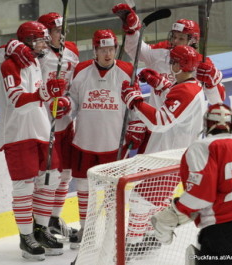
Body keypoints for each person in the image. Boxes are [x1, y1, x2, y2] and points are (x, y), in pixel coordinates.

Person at [151, 103, 232, 265]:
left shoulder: (202, 147)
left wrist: (174, 211)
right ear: (231, 125)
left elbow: (201, 196)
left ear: (207, 124)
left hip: (223, 232)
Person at [52, 29, 138, 249]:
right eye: (103, 49)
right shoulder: (81, 71)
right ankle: (86, 230)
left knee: (113, 191)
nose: (108, 54)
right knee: (83, 187)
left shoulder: (127, 71)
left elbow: (135, 105)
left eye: (111, 49)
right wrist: (65, 105)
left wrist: (136, 125)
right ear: (95, 50)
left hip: (114, 145)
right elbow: (73, 101)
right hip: (85, 141)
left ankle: (113, 231)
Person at [0, 12, 80, 240]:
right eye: (54, 32)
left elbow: (76, 88)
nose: (60, 36)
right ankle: (31, 232)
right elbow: (4, 52)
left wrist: (67, 102)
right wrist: (13, 46)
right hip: (30, 126)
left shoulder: (62, 53)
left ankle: (49, 222)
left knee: (59, 176)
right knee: (29, 183)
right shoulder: (24, 58)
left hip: (56, 123)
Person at [120, 45, 206, 254]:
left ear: (181, 65)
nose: (171, 65)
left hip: (169, 156)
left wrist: (135, 101)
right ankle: (151, 235)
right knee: (155, 198)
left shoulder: (186, 90)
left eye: (174, 62)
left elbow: (160, 121)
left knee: (140, 200)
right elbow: (176, 103)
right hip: (172, 154)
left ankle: (133, 243)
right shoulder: (190, 86)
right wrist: (161, 84)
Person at [112, 3, 225, 154]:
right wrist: (133, 30)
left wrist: (212, 82)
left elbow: (217, 101)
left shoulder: (202, 64)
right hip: (156, 124)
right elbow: (136, 50)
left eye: (181, 38)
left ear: (193, 40)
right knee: (147, 173)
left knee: (174, 173)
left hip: (182, 134)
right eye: (174, 37)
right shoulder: (163, 53)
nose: (175, 41)